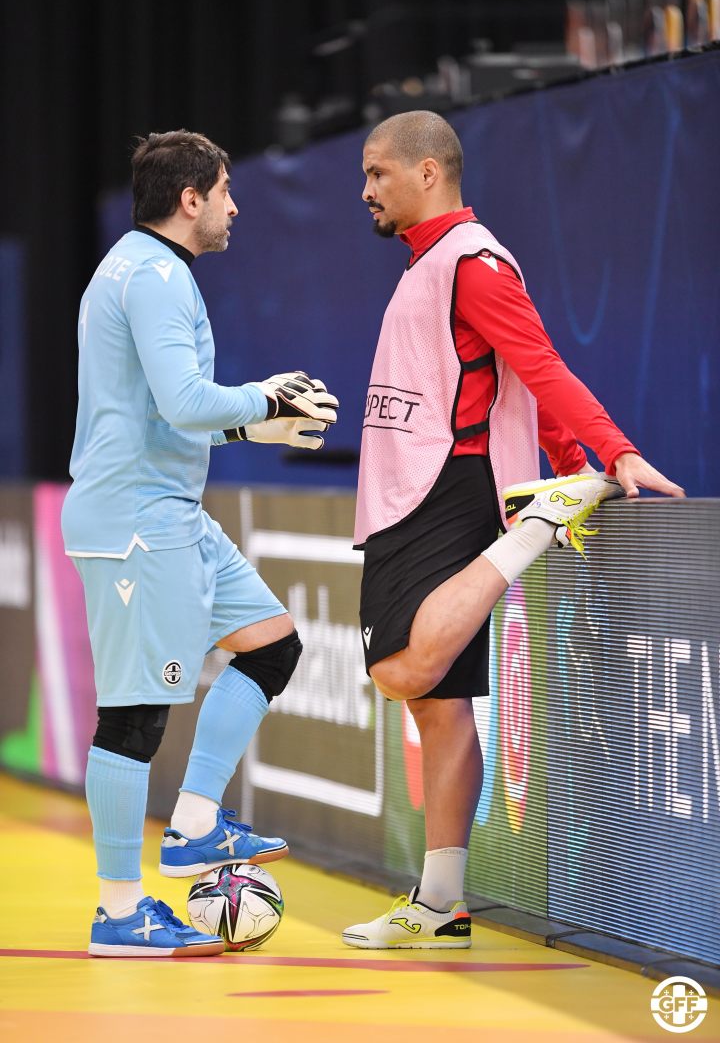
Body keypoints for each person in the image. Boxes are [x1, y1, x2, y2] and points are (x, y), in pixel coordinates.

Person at [342, 111, 684, 950]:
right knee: (437, 706)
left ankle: (535, 528)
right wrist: (572, 459)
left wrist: (612, 452)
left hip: (442, 492)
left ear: (428, 172)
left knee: (400, 668)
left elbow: (542, 367)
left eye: (379, 173)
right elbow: (522, 385)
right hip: (414, 491)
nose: (367, 190)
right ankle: (440, 904)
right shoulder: (430, 262)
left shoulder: (474, 261)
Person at [61, 130, 338, 957]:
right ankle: (119, 913)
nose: (234, 207)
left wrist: (249, 428)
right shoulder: (153, 276)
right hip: (136, 523)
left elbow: (158, 413)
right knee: (133, 717)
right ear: (191, 200)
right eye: (224, 192)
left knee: (273, 645)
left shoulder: (138, 268)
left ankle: (193, 825)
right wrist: (266, 398)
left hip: (171, 512)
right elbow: (184, 401)